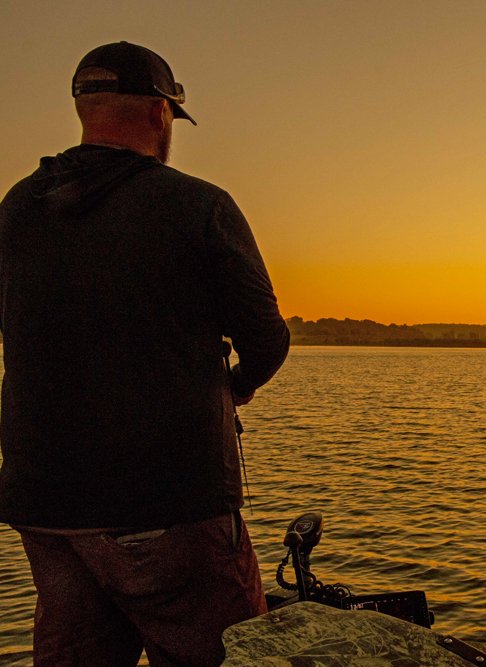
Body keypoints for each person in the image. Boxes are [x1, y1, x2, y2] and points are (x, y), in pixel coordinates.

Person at [0, 42, 290, 666]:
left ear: (84, 108)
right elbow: (267, 339)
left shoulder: (16, 207)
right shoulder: (195, 203)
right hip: (167, 502)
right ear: (161, 114)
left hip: (44, 506)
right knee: (223, 655)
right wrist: (236, 386)